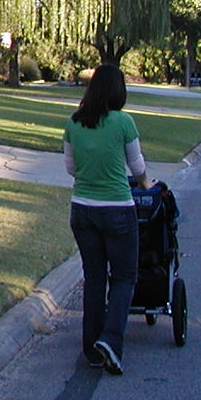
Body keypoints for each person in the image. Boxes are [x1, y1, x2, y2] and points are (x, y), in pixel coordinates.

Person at [62, 63, 151, 375]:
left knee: (95, 278)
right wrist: (145, 184)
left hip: (82, 210)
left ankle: (92, 347)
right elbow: (136, 165)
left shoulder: (74, 123)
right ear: (118, 90)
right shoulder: (124, 122)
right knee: (125, 276)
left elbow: (71, 168)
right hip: (117, 210)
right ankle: (112, 340)